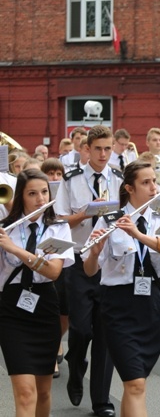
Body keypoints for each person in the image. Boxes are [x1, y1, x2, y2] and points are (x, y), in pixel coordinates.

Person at [83, 161, 160, 416]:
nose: (153, 187)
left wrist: (138, 235)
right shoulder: (109, 219)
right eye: (146, 182)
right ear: (129, 187)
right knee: (135, 383)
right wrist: (94, 254)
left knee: (136, 385)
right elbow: (90, 270)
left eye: (154, 181)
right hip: (118, 306)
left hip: (151, 304)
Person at [54, 125, 122, 417]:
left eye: (108, 149)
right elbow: (59, 221)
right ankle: (77, 362)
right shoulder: (71, 180)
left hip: (109, 261)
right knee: (81, 329)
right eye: (98, 149)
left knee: (105, 334)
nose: (104, 155)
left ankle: (102, 401)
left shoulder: (119, 178)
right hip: (80, 261)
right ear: (86, 149)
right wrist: (87, 211)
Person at [0, 169, 74, 417]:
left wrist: (16, 250)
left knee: (43, 392)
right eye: (33, 193)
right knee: (25, 393)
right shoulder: (6, 228)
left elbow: (53, 272)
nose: (41, 199)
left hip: (44, 307)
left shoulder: (59, 228)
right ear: (21, 196)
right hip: (11, 309)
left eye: (44, 192)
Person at [41, 157, 68, 377]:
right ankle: (51, 356)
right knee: (49, 308)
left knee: (65, 310)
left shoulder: (66, 192)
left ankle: (57, 342)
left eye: (59, 174)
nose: (55, 178)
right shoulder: (40, 195)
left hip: (65, 254)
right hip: (43, 257)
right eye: (51, 174)